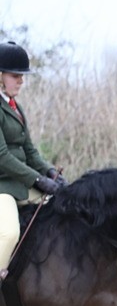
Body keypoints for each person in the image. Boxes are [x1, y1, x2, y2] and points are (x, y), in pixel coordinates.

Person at [1, 40, 63, 282]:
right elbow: (2, 156)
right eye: (15, 75)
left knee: (64, 205)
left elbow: (29, 149)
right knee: (8, 233)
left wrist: (49, 172)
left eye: (21, 76)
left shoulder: (16, 107)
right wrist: (36, 179)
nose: (21, 81)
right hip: (2, 187)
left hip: (19, 183)